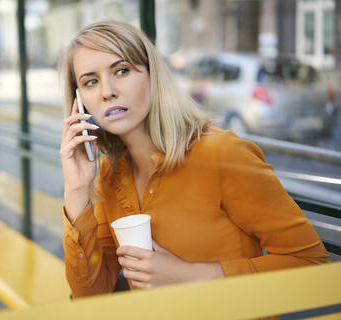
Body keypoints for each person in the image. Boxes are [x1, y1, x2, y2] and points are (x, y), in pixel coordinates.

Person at [59, 21, 330, 298]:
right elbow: (90, 293)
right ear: (80, 104)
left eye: (122, 70)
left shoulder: (222, 153)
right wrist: (77, 190)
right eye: (91, 81)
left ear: (153, 76)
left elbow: (313, 267)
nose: (107, 91)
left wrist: (191, 276)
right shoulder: (109, 173)